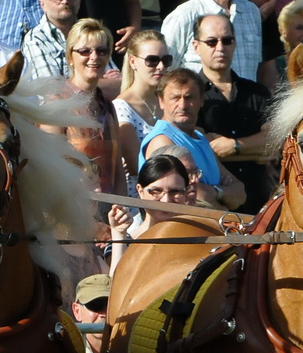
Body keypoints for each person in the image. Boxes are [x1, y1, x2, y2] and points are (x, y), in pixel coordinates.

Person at [190, 13, 272, 210]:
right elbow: (200, 150)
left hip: (261, 205)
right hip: (216, 208)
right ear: (196, 47)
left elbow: (273, 143)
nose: (220, 48)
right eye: (211, 42)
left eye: (227, 40)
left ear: (235, 44)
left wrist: (232, 147)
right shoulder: (189, 96)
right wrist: (255, 151)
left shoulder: (257, 92)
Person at [142, 68, 244, 209]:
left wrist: (214, 192)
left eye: (189, 97)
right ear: (161, 101)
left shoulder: (200, 138)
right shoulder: (162, 141)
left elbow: (240, 192)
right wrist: (224, 202)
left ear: (201, 100)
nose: (182, 105)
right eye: (175, 98)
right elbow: (194, 200)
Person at [48, 20, 125, 195]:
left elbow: (118, 170)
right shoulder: (57, 104)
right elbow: (51, 168)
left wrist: (121, 205)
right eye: (85, 51)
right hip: (73, 203)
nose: (94, 57)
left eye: (101, 51)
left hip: (111, 207)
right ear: (70, 57)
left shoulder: (108, 106)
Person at [113, 28, 171, 186]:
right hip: (139, 193)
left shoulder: (169, 101)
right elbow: (136, 166)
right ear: (133, 62)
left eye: (166, 60)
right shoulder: (121, 107)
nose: (160, 66)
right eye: (152, 60)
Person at [20, 0, 84, 81]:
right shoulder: (36, 38)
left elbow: (115, 82)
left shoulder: (89, 32)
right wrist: (97, 81)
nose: (65, 1)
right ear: (42, 4)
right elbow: (51, 87)